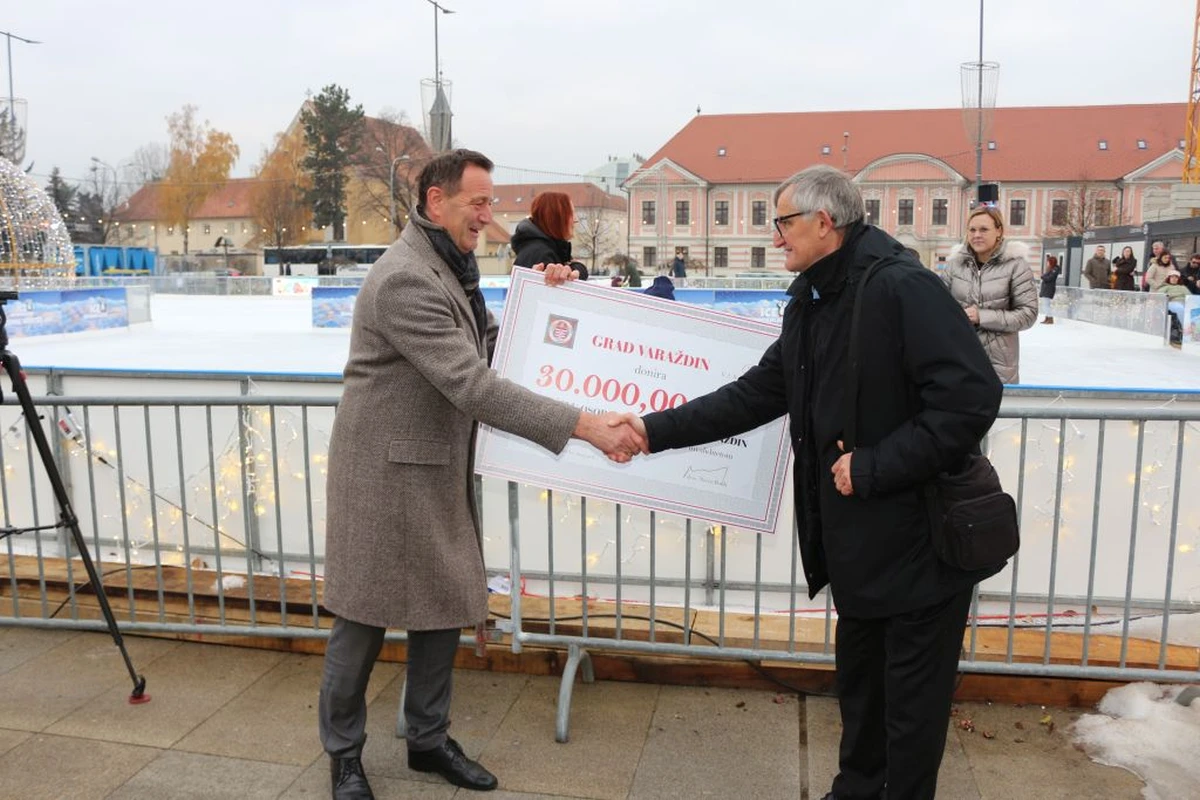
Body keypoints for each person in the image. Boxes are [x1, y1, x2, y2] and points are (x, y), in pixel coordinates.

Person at [617, 165, 1003, 800]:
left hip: (921, 543)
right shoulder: (814, 299)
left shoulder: (902, 288)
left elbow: (969, 399)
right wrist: (653, 430)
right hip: (857, 546)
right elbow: (758, 393)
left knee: (912, 707)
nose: (776, 238)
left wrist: (876, 464)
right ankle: (854, 789)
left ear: (826, 223)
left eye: (784, 223)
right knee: (859, 683)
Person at [318, 149, 644, 799]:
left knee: (444, 607)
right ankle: (344, 753)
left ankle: (427, 740)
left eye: (491, 202)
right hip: (383, 477)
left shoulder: (451, 268)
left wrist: (550, 297)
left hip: (431, 468)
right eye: (479, 203)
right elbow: (471, 383)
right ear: (437, 203)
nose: (490, 216)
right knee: (362, 619)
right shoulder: (405, 278)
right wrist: (583, 424)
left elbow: (494, 347)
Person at [942, 207, 1038, 384]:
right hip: (958, 360)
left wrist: (982, 316)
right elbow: (939, 308)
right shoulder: (955, 265)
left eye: (984, 229)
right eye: (972, 230)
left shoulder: (1016, 266)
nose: (976, 235)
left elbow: (1028, 314)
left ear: (999, 231)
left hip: (998, 366)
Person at [511, 191, 589, 279]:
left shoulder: (546, 247)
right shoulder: (541, 254)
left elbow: (572, 268)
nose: (575, 220)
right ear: (557, 218)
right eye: (571, 214)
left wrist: (577, 269)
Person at [1157, 270, 1190, 344]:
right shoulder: (1165, 287)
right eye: (1172, 277)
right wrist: (1170, 296)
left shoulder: (1183, 287)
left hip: (1184, 303)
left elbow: (1190, 296)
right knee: (1179, 308)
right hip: (1172, 303)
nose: (1174, 279)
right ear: (1169, 278)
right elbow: (1159, 296)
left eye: (1176, 277)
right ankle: (1185, 329)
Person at [1039, 255, 1061, 324]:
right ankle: (1047, 318)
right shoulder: (1050, 269)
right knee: (1045, 305)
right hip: (1046, 289)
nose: (1047, 263)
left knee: (1046, 305)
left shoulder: (1054, 270)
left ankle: (1050, 318)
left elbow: (1049, 278)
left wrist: (1042, 276)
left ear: (1051, 262)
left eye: (1048, 262)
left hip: (1049, 289)